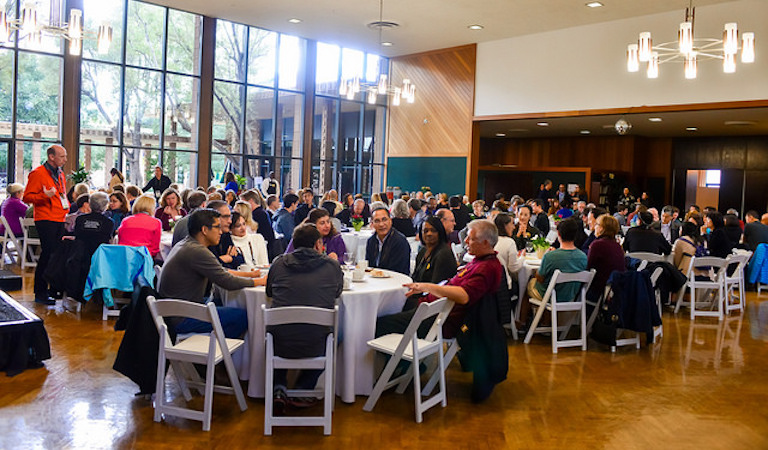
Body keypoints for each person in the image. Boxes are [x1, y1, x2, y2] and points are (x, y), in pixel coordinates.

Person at [375, 219, 502, 341]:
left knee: (380, 323)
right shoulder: (479, 261)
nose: (465, 241)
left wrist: (427, 287)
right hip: (432, 309)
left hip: (439, 318)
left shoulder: (486, 267)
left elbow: (464, 295)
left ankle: (402, 362)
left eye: (471, 238)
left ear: (485, 243)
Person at [266, 223, 343, 411]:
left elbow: (269, 292)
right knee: (338, 335)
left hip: (280, 343)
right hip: (316, 342)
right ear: (318, 244)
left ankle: (278, 387)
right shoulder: (331, 266)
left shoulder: (278, 263)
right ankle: (304, 387)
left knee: (279, 330)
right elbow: (337, 293)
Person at [158, 209, 265, 339]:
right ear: (204, 230)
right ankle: (219, 354)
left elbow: (219, 271)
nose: (221, 232)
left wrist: (250, 275)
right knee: (243, 317)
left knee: (222, 302)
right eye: (217, 227)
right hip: (183, 317)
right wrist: (260, 281)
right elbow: (227, 282)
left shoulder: (187, 244)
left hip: (174, 311)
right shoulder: (197, 251)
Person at [518, 218, 588, 329]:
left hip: (550, 295)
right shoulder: (583, 257)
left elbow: (540, 278)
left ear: (558, 234)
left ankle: (521, 322)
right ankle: (546, 322)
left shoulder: (551, 257)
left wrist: (535, 273)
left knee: (530, 283)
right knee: (549, 286)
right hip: (570, 296)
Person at [22, 145, 69, 305]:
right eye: (62, 156)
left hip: (59, 217)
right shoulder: (38, 173)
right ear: (51, 157)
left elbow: (60, 194)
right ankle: (40, 291)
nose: (65, 159)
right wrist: (44, 196)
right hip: (45, 218)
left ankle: (51, 289)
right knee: (47, 254)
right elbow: (27, 197)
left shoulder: (60, 173)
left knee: (56, 255)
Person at [409, 217, 458, 305]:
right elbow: (415, 277)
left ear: (440, 232)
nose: (429, 234)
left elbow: (436, 287)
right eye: (425, 231)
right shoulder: (423, 252)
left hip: (431, 304)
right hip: (418, 296)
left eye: (433, 230)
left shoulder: (443, 254)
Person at [586, 214, 624, 301]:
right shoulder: (617, 245)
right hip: (614, 289)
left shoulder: (597, 244)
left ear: (602, 228)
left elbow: (588, 267)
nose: (594, 227)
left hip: (599, 291)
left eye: (597, 224)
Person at [365, 205, 410, 275]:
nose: (381, 224)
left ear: (390, 221)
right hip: (375, 281)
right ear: (372, 224)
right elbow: (369, 266)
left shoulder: (400, 242)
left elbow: (399, 270)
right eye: (377, 221)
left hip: (397, 281)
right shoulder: (371, 241)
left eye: (384, 219)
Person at [117, 195, 163, 261]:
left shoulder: (126, 221)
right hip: (144, 258)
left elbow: (120, 240)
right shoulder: (156, 222)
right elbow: (155, 248)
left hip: (125, 257)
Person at [73, 192, 114, 257]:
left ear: (90, 204)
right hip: (99, 256)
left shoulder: (80, 219)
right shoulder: (108, 222)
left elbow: (77, 235)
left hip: (80, 256)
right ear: (105, 206)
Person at [241, 189, 278, 259]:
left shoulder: (256, 215)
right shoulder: (263, 212)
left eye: (244, 203)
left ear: (251, 201)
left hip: (264, 248)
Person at [207, 200, 244, 270]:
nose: (230, 221)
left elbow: (241, 259)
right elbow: (215, 266)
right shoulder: (207, 238)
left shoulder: (225, 235)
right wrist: (229, 260)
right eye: (225, 216)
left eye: (230, 216)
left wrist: (228, 258)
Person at [493, 213, 523, 294]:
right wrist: (522, 258)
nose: (513, 227)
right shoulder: (509, 242)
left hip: (491, 284)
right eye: (512, 224)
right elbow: (513, 268)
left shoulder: (489, 240)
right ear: (505, 226)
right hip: (504, 286)